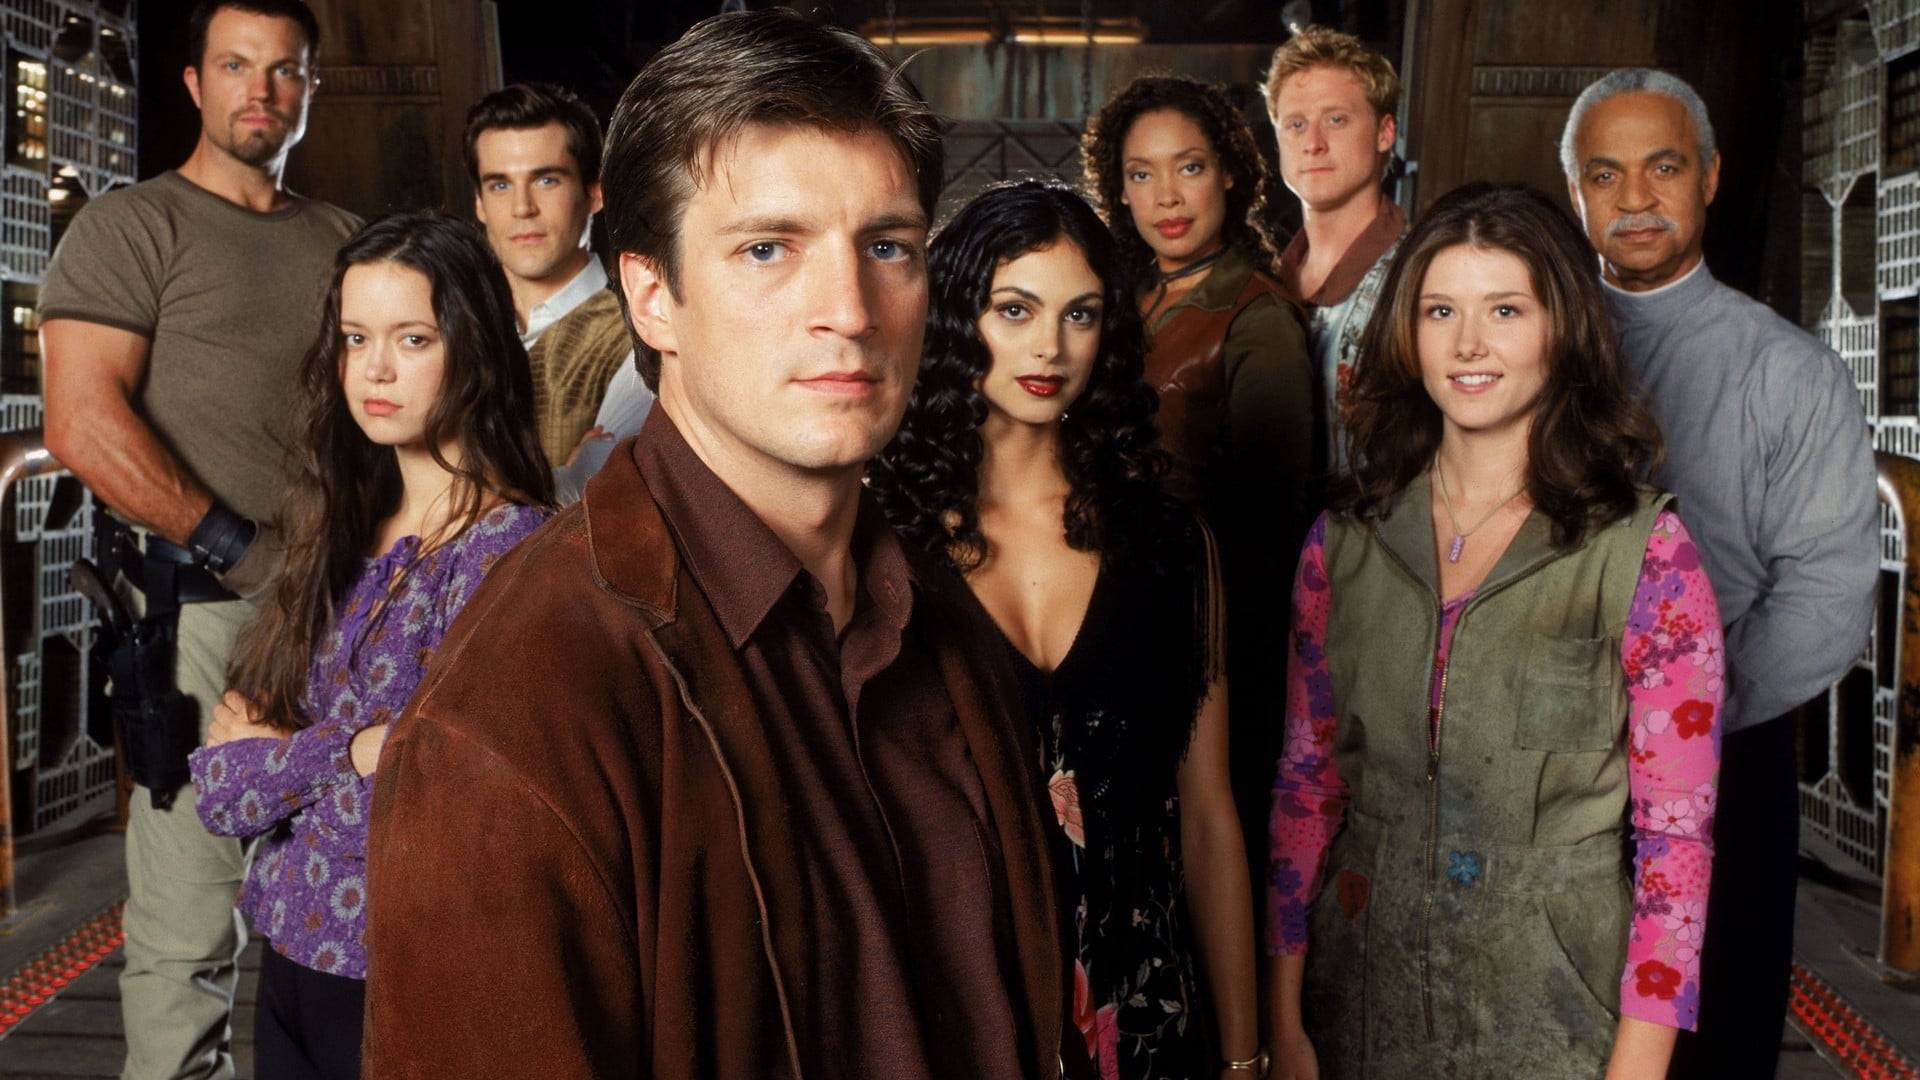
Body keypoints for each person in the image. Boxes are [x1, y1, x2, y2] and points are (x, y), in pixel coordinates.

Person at [361, 10, 1067, 1077]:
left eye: (887, 246)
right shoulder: (515, 710)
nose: (849, 310)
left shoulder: (943, 622)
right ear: (653, 297)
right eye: (768, 249)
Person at [1264, 183, 1723, 1077]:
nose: (1468, 343)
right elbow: (1306, 789)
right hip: (1356, 1006)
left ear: (1563, 327)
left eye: (1505, 309)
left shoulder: (1646, 556)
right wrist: (1283, 1021)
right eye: (1440, 310)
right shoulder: (1343, 544)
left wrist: (1637, 1067)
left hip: (1557, 1025)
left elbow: (1676, 844)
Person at [869, 181, 1259, 1079]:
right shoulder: (879, 541)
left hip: (1146, 1021)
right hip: (954, 1020)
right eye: (1015, 309)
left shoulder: (1169, 544)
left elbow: (1208, 819)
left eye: (1079, 314)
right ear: (956, 316)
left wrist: (1245, 1060)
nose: (1050, 345)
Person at [37, 2, 358, 1075]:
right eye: (234, 65)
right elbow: (82, 423)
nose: (259, 91)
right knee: (187, 932)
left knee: (355, 903)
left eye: (284, 71)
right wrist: (243, 549)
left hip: (345, 611)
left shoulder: (344, 238)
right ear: (193, 83)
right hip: (204, 619)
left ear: (309, 89)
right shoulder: (132, 228)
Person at [1561, 69, 1878, 1076]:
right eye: (1604, 174)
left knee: (1715, 1041)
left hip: (1725, 759)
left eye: (1663, 167)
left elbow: (1825, 600)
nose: (1635, 197)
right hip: (1550, 758)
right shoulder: (1533, 348)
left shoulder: (1790, 371)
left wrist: (1675, 721)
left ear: (1709, 177)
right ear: (1575, 193)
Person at [186, 212, 552, 1080]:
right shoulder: (343, 531)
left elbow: (453, 791)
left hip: (404, 967)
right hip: (286, 957)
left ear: (475, 348)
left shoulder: (507, 547)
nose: (375, 369)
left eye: (412, 338)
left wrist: (291, 762)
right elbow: (225, 791)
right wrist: (351, 753)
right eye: (356, 338)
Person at [1083, 75, 1313, 907]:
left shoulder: (1258, 317)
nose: (1167, 197)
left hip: (1200, 634)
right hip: (1108, 604)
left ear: (1229, 174)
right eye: (1141, 174)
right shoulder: (1126, 292)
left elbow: (1270, 527)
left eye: (1188, 167)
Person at [464, 82, 652, 501]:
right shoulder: (457, 327)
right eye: (499, 185)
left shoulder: (640, 335)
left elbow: (601, 503)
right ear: (479, 202)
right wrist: (562, 476)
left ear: (594, 193)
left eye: (546, 180)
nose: (522, 208)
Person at [1263, 24, 1407, 469]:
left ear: (1385, 132)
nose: (1313, 143)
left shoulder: (1419, 275)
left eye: (1336, 120)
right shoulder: (1263, 281)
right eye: (1296, 124)